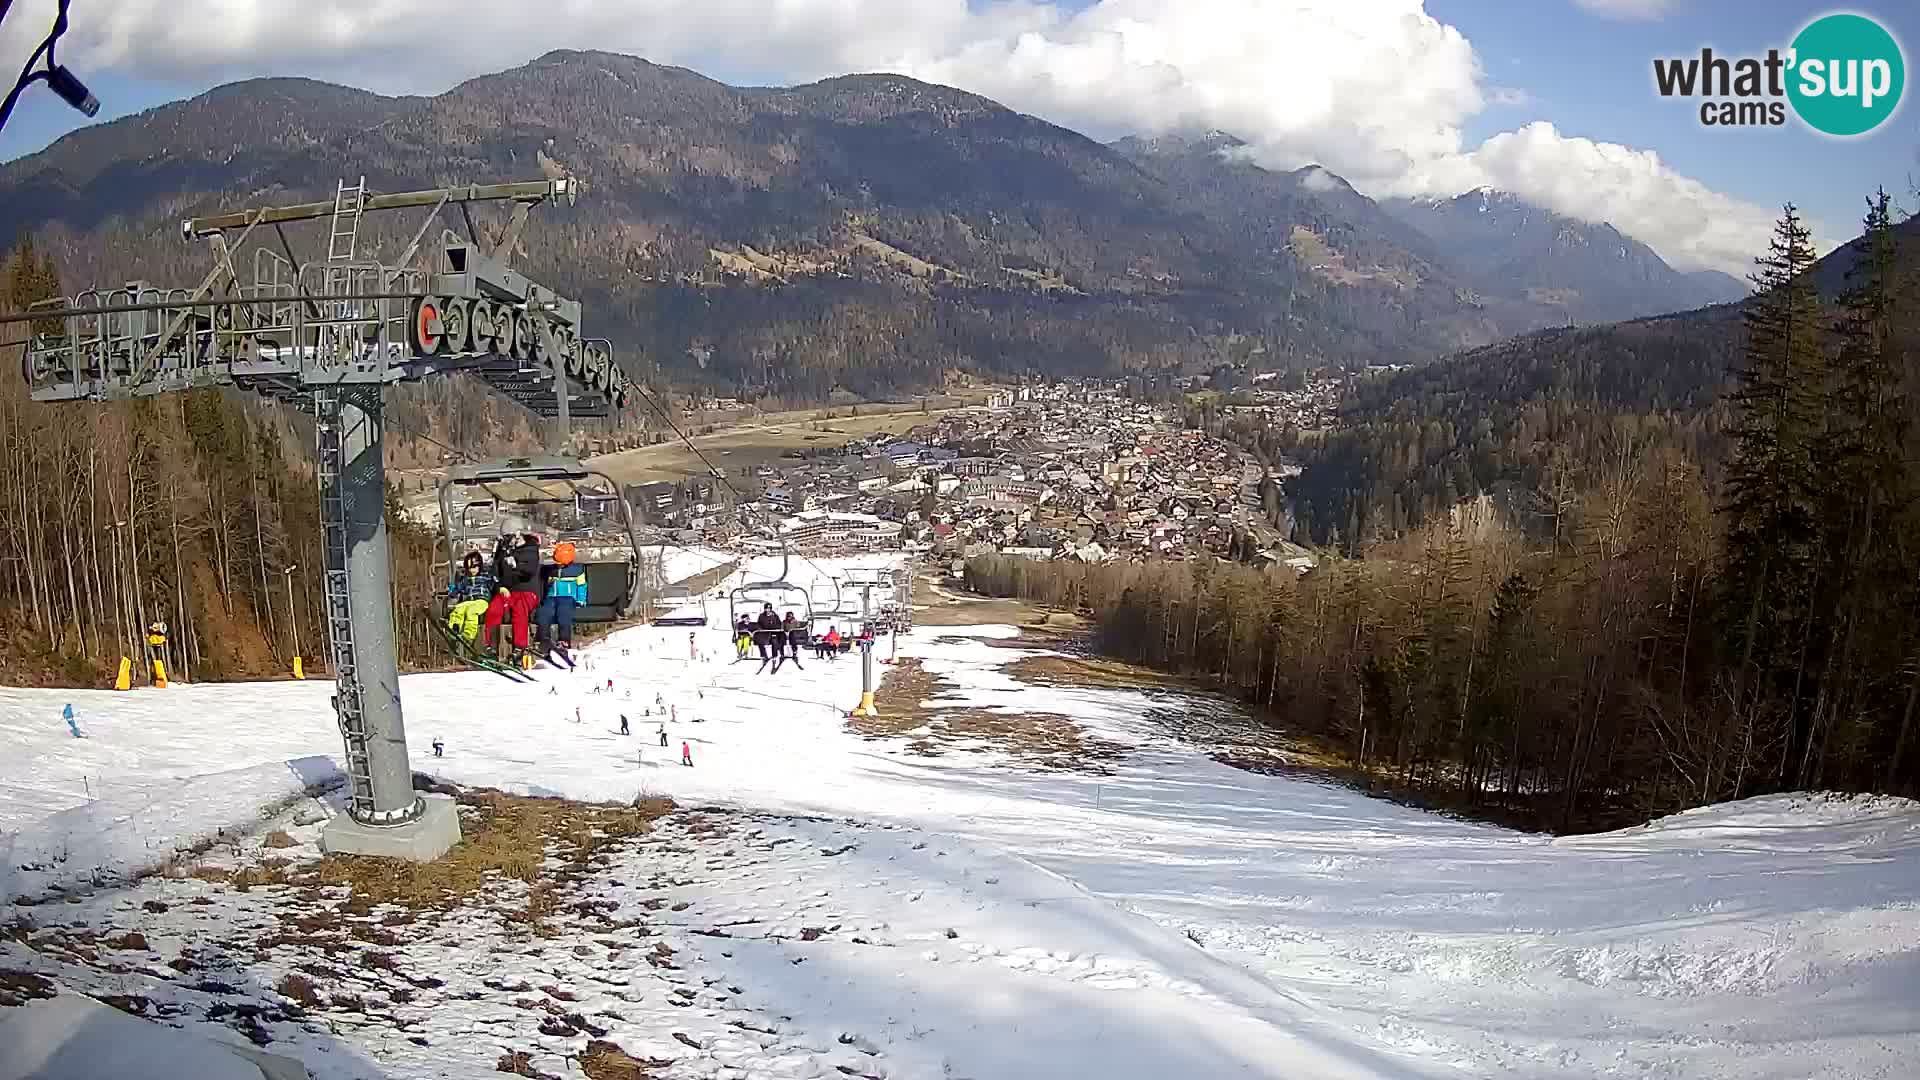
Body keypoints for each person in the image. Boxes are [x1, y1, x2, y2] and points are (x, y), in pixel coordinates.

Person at [483, 532, 542, 661]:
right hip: (509, 591)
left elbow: (529, 571)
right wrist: (500, 587)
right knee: (495, 607)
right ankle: (490, 645)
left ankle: (520, 647)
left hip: (527, 591)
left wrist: (516, 565)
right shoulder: (504, 551)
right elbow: (495, 572)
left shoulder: (530, 550)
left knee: (520, 609)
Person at [535, 541, 588, 654]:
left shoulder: (577, 570)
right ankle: (544, 638)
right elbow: (548, 583)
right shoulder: (552, 570)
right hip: (552, 596)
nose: (558, 564)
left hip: (568, 597)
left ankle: (564, 640)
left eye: (560, 563)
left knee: (564, 614)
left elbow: (582, 586)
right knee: (544, 613)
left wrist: (581, 599)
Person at [445, 551, 496, 647]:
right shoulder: (466, 579)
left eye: (474, 567)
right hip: (469, 600)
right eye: (469, 568)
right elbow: (458, 588)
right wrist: (452, 591)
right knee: (459, 608)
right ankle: (454, 628)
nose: (472, 570)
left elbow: (494, 584)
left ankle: (468, 635)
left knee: (471, 611)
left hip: (481, 601)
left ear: (479, 566)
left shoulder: (485, 576)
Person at [754, 603, 782, 671]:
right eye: (767, 608)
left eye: (769, 608)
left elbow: (779, 624)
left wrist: (774, 624)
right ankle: (764, 656)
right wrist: (761, 629)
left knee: (774, 642)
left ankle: (774, 656)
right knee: (760, 641)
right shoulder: (761, 616)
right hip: (764, 633)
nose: (768, 610)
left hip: (773, 633)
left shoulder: (775, 616)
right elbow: (758, 624)